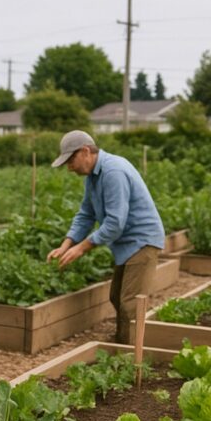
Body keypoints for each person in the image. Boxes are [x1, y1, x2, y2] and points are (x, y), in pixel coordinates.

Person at [46, 130, 165, 344]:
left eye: (71, 160)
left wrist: (81, 248)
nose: (69, 167)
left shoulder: (113, 172)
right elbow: (86, 214)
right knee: (116, 297)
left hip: (142, 241)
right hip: (127, 243)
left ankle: (131, 355)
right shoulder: (93, 177)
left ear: (85, 152)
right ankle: (123, 345)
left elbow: (115, 223)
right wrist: (66, 245)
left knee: (130, 303)